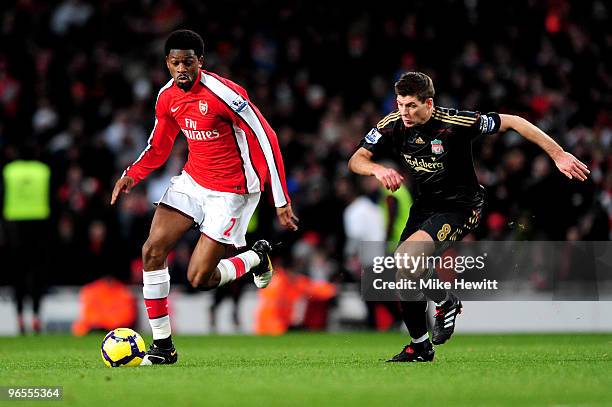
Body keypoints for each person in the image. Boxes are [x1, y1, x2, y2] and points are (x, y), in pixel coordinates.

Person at [348, 71, 589, 362]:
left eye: (411, 105)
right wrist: (377, 169)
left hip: (461, 207)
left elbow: (514, 121)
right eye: (400, 104)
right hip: (424, 209)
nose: (404, 112)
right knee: (404, 275)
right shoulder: (393, 125)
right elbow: (356, 159)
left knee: (406, 260)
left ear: (429, 103)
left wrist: (558, 153)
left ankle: (443, 301)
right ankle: (420, 345)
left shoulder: (455, 123)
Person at [110, 30, 298, 365]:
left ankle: (255, 256)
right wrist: (132, 174)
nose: (181, 68)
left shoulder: (225, 94)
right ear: (167, 63)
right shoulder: (167, 96)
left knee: (200, 279)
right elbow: (159, 144)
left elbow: (266, 137)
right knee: (151, 251)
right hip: (194, 181)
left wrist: (280, 197)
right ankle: (163, 347)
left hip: (233, 192)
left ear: (201, 61)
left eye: (188, 62)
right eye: (175, 62)